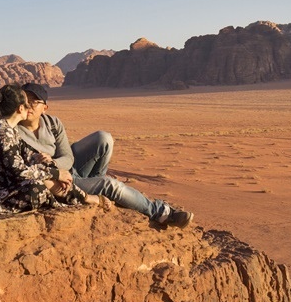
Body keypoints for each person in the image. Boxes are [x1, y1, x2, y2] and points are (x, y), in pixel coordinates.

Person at [17, 83, 193, 228]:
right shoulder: (13, 130)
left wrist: (54, 163)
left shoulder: (53, 123)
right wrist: (53, 170)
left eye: (34, 102)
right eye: (25, 100)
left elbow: (68, 157)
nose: (28, 105)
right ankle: (160, 212)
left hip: (67, 168)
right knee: (110, 184)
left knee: (104, 138)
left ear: (45, 107)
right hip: (59, 181)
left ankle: (97, 186)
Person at [0, 83, 103, 216]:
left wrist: (52, 168)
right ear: (20, 108)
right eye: (26, 104)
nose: (29, 107)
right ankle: (77, 202)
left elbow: (28, 157)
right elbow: (20, 172)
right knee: (37, 187)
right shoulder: (3, 132)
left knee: (40, 176)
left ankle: (83, 198)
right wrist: (55, 174)